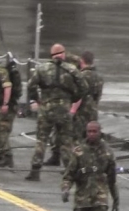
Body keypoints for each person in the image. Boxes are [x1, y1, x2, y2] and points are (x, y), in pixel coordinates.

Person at [26, 43, 87, 181]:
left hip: (46, 108)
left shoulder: (42, 68)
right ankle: (68, 171)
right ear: (63, 54)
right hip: (64, 109)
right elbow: (84, 87)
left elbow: (30, 85)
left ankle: (35, 171)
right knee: (66, 141)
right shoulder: (71, 69)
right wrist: (74, 97)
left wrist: (36, 99)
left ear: (51, 55)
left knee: (41, 140)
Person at [61, 121, 119, 211]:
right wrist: (65, 189)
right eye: (89, 131)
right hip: (82, 199)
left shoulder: (108, 153)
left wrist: (116, 200)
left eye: (94, 131)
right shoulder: (78, 152)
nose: (92, 134)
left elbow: (112, 180)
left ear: (100, 132)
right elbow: (68, 175)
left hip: (100, 199)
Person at [71, 50, 104, 144]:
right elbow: (98, 96)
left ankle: (79, 157)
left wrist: (72, 112)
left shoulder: (80, 76)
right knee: (92, 139)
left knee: (78, 139)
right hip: (93, 111)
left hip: (81, 113)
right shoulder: (99, 77)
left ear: (82, 61)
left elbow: (78, 96)